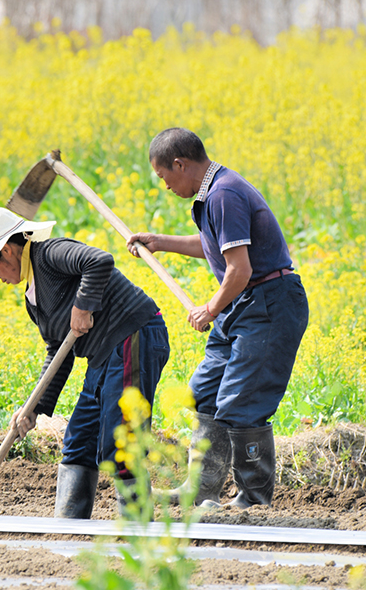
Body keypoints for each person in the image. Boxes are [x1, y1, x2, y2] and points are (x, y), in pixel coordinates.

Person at [127, 127, 308, 509]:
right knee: (205, 392)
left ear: (180, 164)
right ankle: (201, 489)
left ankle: (253, 500)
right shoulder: (214, 192)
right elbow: (215, 244)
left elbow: (238, 269)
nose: (165, 186)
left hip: (268, 303)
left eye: (164, 176)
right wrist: (162, 242)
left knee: (241, 403)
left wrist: (209, 309)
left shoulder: (223, 193)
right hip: (242, 305)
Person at [0, 207, 170, 519]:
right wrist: (34, 407)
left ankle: (138, 530)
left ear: (6, 250)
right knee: (79, 441)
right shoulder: (33, 298)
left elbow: (98, 260)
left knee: (122, 440)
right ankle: (68, 528)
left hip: (133, 334)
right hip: (102, 354)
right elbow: (58, 351)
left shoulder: (49, 254)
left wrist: (83, 306)